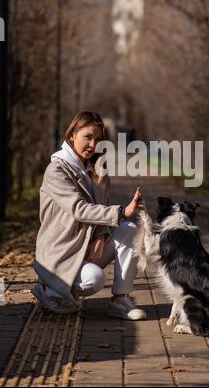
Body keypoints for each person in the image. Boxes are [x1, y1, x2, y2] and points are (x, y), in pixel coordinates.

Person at [32, 111, 147, 320]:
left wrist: (101, 236)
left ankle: (120, 299)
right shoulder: (56, 170)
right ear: (72, 135)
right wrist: (122, 212)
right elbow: (79, 209)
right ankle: (50, 289)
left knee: (130, 230)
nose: (93, 145)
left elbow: (102, 208)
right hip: (62, 252)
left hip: (86, 246)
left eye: (98, 139)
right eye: (88, 137)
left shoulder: (97, 170)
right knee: (95, 279)